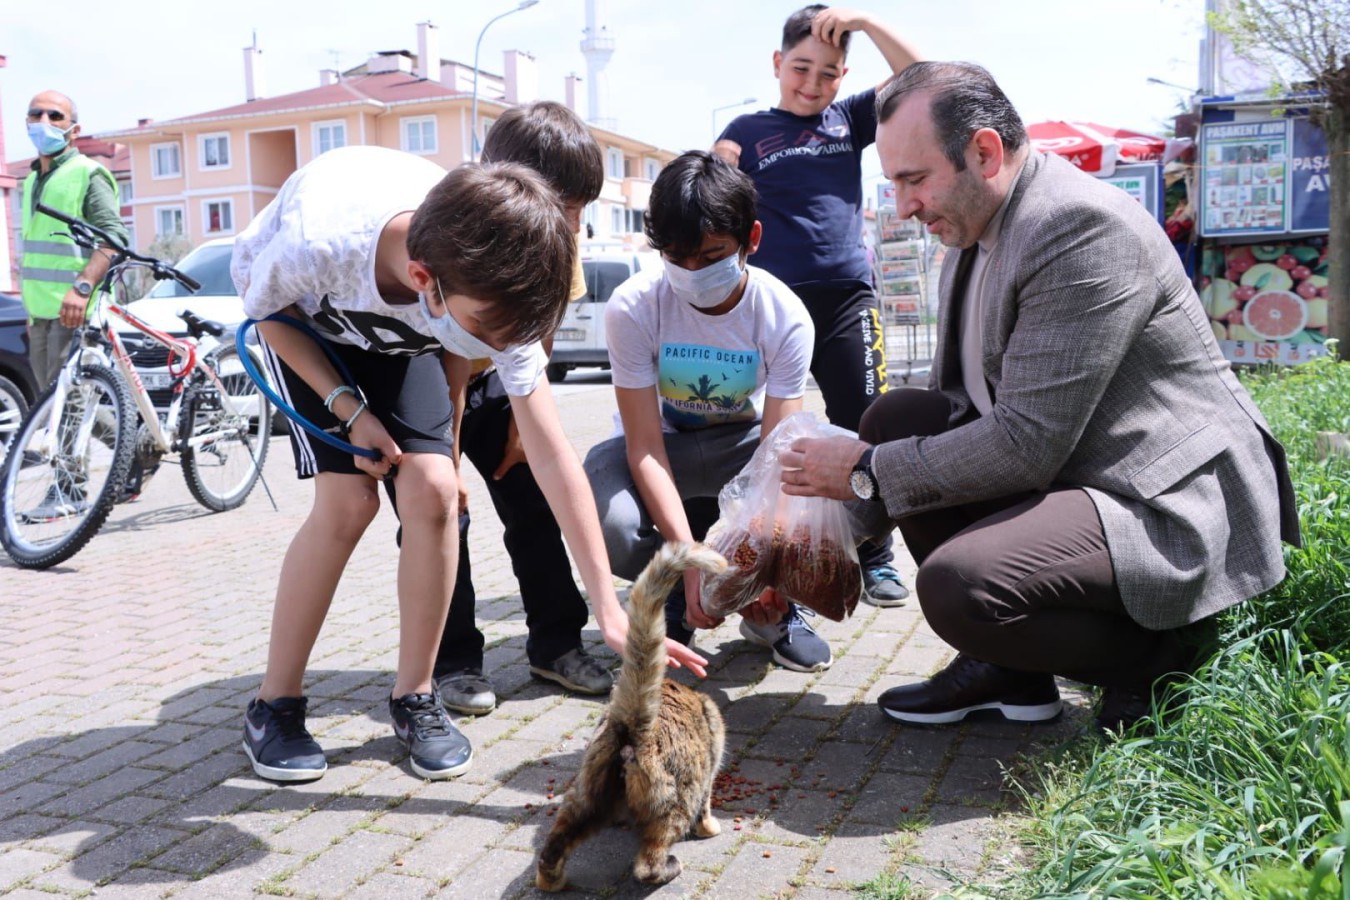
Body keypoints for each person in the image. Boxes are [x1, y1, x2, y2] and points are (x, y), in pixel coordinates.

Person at [779, 61, 1300, 732]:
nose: (904, 205)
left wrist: (862, 473)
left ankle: (1159, 663)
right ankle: (1010, 672)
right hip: (1079, 464)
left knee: (960, 586)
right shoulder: (975, 227)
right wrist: (800, 537)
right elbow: (960, 410)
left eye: (914, 179)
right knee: (895, 417)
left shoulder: (1076, 228)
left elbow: (1023, 444)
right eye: (894, 184)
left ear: (984, 152)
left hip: (1161, 493)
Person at [232, 146, 707, 783]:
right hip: (311, 330)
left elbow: (551, 452)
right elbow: (267, 317)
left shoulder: (489, 292)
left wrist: (608, 607)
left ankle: (416, 695)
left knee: (433, 491)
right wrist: (348, 409)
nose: (498, 349)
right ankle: (275, 705)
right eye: (487, 328)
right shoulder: (320, 243)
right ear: (425, 278)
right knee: (349, 504)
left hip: (413, 335)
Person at [584, 150, 833, 673]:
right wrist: (689, 555)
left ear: (752, 241)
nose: (693, 272)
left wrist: (762, 564)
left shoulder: (783, 315)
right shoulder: (633, 306)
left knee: (842, 487)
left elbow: (776, 457)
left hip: (745, 449)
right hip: (666, 444)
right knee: (611, 520)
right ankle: (677, 594)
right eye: (676, 258)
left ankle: (772, 608)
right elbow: (645, 448)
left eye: (712, 254)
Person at [714, 5, 923, 608]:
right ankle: (762, 562)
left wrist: (867, 19)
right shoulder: (746, 131)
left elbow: (921, 74)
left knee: (868, 423)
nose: (812, 83)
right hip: (771, 310)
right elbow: (710, 186)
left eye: (829, 73)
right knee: (765, 436)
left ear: (843, 75)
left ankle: (876, 557)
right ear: (778, 64)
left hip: (846, 301)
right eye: (801, 68)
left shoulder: (850, 118)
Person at [431, 102, 613, 715]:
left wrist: (518, 421)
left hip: (507, 385)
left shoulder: (561, 236)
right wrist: (447, 458)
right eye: (568, 210)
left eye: (580, 212)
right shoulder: (456, 230)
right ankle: (451, 663)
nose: (575, 226)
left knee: (536, 502)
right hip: (432, 386)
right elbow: (444, 369)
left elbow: (548, 323)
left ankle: (557, 644)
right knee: (437, 512)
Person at [18, 90, 131, 520]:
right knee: (56, 402)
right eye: (36, 113)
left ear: (74, 128)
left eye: (55, 114)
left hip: (78, 308)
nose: (43, 120)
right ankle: (134, 447)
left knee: (67, 404)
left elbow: (114, 237)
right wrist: (34, 311)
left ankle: (69, 488)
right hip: (43, 312)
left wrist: (82, 289)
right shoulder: (33, 178)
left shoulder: (89, 173)